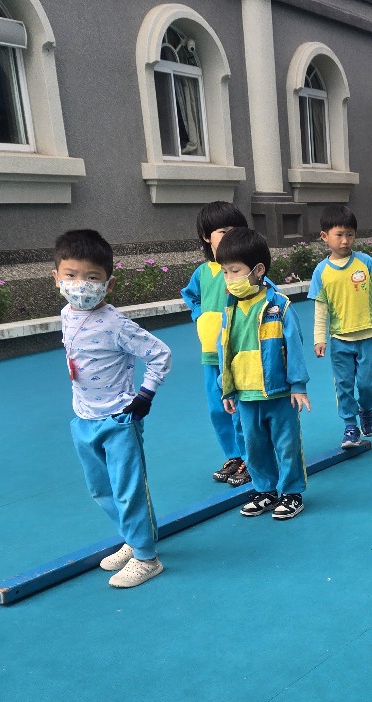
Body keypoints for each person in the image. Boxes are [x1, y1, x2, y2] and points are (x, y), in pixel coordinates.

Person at [55, 229, 172, 588]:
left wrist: (144, 397)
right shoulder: (66, 314)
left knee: (128, 489)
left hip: (119, 419)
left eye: (92, 277)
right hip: (84, 419)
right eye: (71, 275)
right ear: (56, 278)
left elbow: (160, 354)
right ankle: (132, 538)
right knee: (101, 489)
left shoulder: (115, 324)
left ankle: (146, 557)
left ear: (109, 283)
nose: (80, 285)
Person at [216, 228, 311, 520]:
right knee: (253, 447)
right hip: (245, 395)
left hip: (278, 393)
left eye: (235, 271)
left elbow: (294, 346)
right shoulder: (229, 311)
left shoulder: (279, 306)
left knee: (287, 445)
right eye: (225, 272)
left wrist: (298, 385)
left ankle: (292, 493)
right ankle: (265, 490)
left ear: (258, 270)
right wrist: (227, 389)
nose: (229, 279)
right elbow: (224, 351)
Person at [309, 205, 372, 449]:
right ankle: (350, 426)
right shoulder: (321, 272)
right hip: (340, 340)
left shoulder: (366, 262)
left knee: (371, 385)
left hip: (368, 336)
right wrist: (319, 338)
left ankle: (365, 408)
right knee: (343, 385)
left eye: (350, 234)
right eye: (339, 235)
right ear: (324, 237)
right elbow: (321, 308)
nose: (345, 240)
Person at [180, 201, 251, 487]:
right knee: (218, 409)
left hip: (239, 355)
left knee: (241, 408)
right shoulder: (202, 273)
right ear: (206, 237)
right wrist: (200, 315)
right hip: (211, 355)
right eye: (222, 231)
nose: (229, 235)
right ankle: (234, 455)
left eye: (235, 229)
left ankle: (250, 456)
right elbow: (190, 296)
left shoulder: (244, 270)